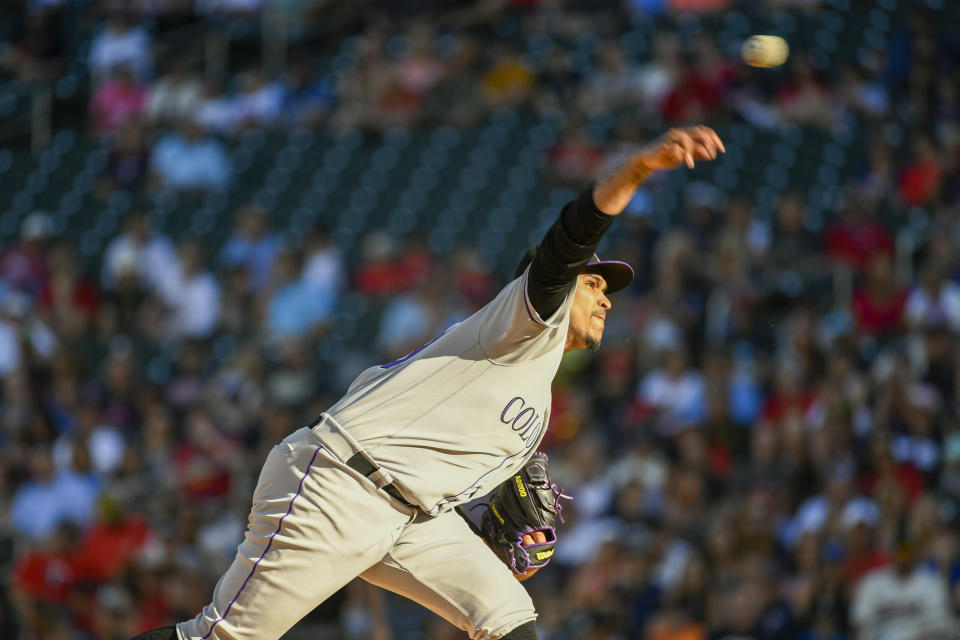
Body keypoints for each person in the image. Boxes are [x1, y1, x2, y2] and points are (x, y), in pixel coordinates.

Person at [131, 125, 724, 640]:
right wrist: (639, 168)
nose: (605, 300)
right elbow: (570, 239)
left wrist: (490, 530)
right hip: (338, 486)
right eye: (594, 286)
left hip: (406, 513)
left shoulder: (534, 393)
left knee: (506, 612)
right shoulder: (520, 324)